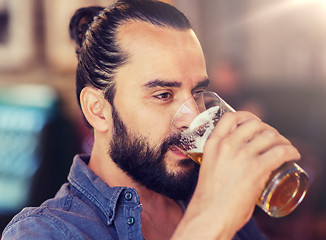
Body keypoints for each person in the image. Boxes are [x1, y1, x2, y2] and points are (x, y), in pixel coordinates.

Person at [1, 0, 300, 239]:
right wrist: (209, 221)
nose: (193, 118)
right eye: (163, 95)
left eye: (197, 92)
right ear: (97, 109)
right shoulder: (44, 231)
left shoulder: (212, 195)